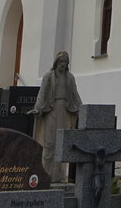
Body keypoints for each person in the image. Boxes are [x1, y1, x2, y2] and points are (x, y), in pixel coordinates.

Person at [30, 51, 83, 182]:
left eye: (65, 62)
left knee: (61, 142)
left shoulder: (70, 77)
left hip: (65, 110)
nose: (63, 65)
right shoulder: (49, 76)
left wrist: (83, 109)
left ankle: (58, 175)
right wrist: (37, 107)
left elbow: (75, 94)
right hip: (51, 110)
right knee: (49, 142)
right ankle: (45, 173)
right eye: (61, 62)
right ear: (56, 62)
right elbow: (42, 93)